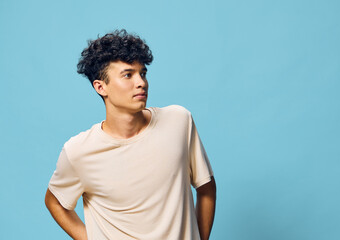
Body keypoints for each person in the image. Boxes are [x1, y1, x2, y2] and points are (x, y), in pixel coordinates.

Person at [45, 29, 216, 240]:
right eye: (128, 75)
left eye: (142, 73)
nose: (141, 82)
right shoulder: (78, 151)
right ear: (101, 87)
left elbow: (206, 188)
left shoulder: (179, 121)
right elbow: (54, 201)